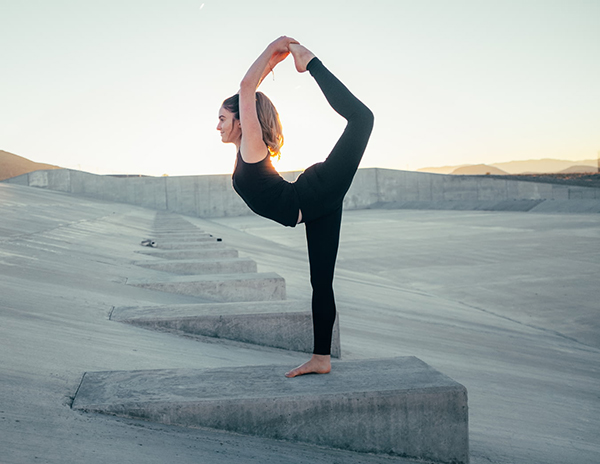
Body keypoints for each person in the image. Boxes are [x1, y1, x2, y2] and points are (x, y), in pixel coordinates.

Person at [217, 37, 374, 377]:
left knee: (362, 119)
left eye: (222, 117)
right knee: (322, 283)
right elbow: (250, 94)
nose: (217, 125)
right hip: (315, 208)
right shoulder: (243, 153)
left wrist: (277, 49)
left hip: (315, 194)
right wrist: (273, 61)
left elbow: (247, 88)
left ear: (242, 121)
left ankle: (311, 62)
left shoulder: (252, 147)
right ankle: (321, 358)